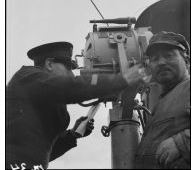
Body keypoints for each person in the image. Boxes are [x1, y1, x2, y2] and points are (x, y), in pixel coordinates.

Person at [6, 41, 144, 169]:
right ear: (49, 64)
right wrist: (120, 80)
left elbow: (44, 152)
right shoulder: (27, 77)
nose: (71, 74)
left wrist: (73, 135)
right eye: (68, 68)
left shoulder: (47, 98)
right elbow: (69, 87)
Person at [135, 31, 190, 169]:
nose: (161, 62)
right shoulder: (161, 103)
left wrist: (182, 143)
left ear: (187, 61)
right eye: (155, 59)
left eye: (168, 56)